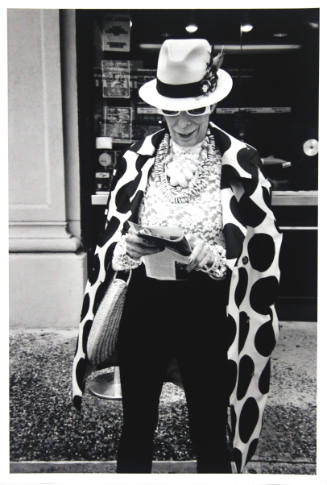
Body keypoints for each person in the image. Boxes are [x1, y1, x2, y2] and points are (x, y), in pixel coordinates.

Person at [72, 38, 283, 474]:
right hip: (145, 304)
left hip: (206, 308)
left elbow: (260, 252)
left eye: (195, 110)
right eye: (172, 111)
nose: (183, 122)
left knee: (208, 428)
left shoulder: (240, 160)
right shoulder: (138, 157)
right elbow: (112, 239)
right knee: (136, 426)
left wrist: (207, 254)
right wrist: (128, 250)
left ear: (212, 103)